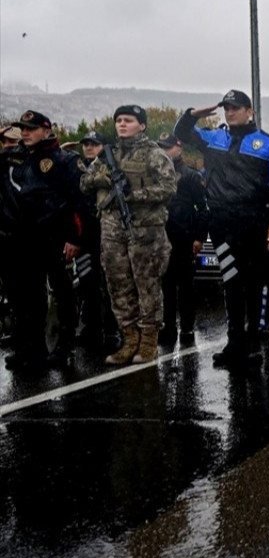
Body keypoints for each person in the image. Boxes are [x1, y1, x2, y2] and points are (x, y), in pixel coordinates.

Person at [175, 90, 269, 368]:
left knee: (252, 285)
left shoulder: (267, 144)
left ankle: (253, 343)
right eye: (227, 108)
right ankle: (234, 343)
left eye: (236, 108)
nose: (231, 113)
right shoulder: (213, 138)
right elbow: (181, 131)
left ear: (249, 111)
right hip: (221, 224)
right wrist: (196, 113)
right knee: (230, 283)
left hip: (253, 224)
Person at [80, 105, 178, 364]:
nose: (122, 124)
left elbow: (169, 187)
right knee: (118, 285)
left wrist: (135, 195)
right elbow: (84, 183)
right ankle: (129, 338)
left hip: (145, 230)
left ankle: (148, 342)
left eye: (129, 120)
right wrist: (105, 179)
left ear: (142, 125)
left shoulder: (154, 154)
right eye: (119, 120)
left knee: (147, 285)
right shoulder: (106, 155)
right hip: (112, 230)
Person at [0, 110, 85, 368]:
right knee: (30, 297)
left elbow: (79, 202)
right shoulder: (17, 157)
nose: (25, 132)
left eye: (31, 128)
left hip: (57, 237)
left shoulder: (64, 160)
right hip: (27, 239)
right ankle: (32, 348)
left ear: (46, 131)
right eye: (22, 128)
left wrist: (75, 238)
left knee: (63, 293)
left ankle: (64, 345)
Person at [156, 131, 208, 347]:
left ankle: (187, 328)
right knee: (165, 287)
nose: (165, 152)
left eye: (168, 147)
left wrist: (199, 237)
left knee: (185, 286)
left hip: (184, 237)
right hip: (162, 237)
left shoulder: (191, 175)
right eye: (162, 148)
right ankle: (168, 328)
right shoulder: (157, 174)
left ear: (179, 148)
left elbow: (203, 209)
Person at [75, 130, 120, 354]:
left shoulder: (111, 165)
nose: (89, 148)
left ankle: (113, 329)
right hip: (86, 236)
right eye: (86, 144)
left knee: (111, 284)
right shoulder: (78, 169)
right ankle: (91, 328)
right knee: (87, 285)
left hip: (109, 233)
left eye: (94, 144)